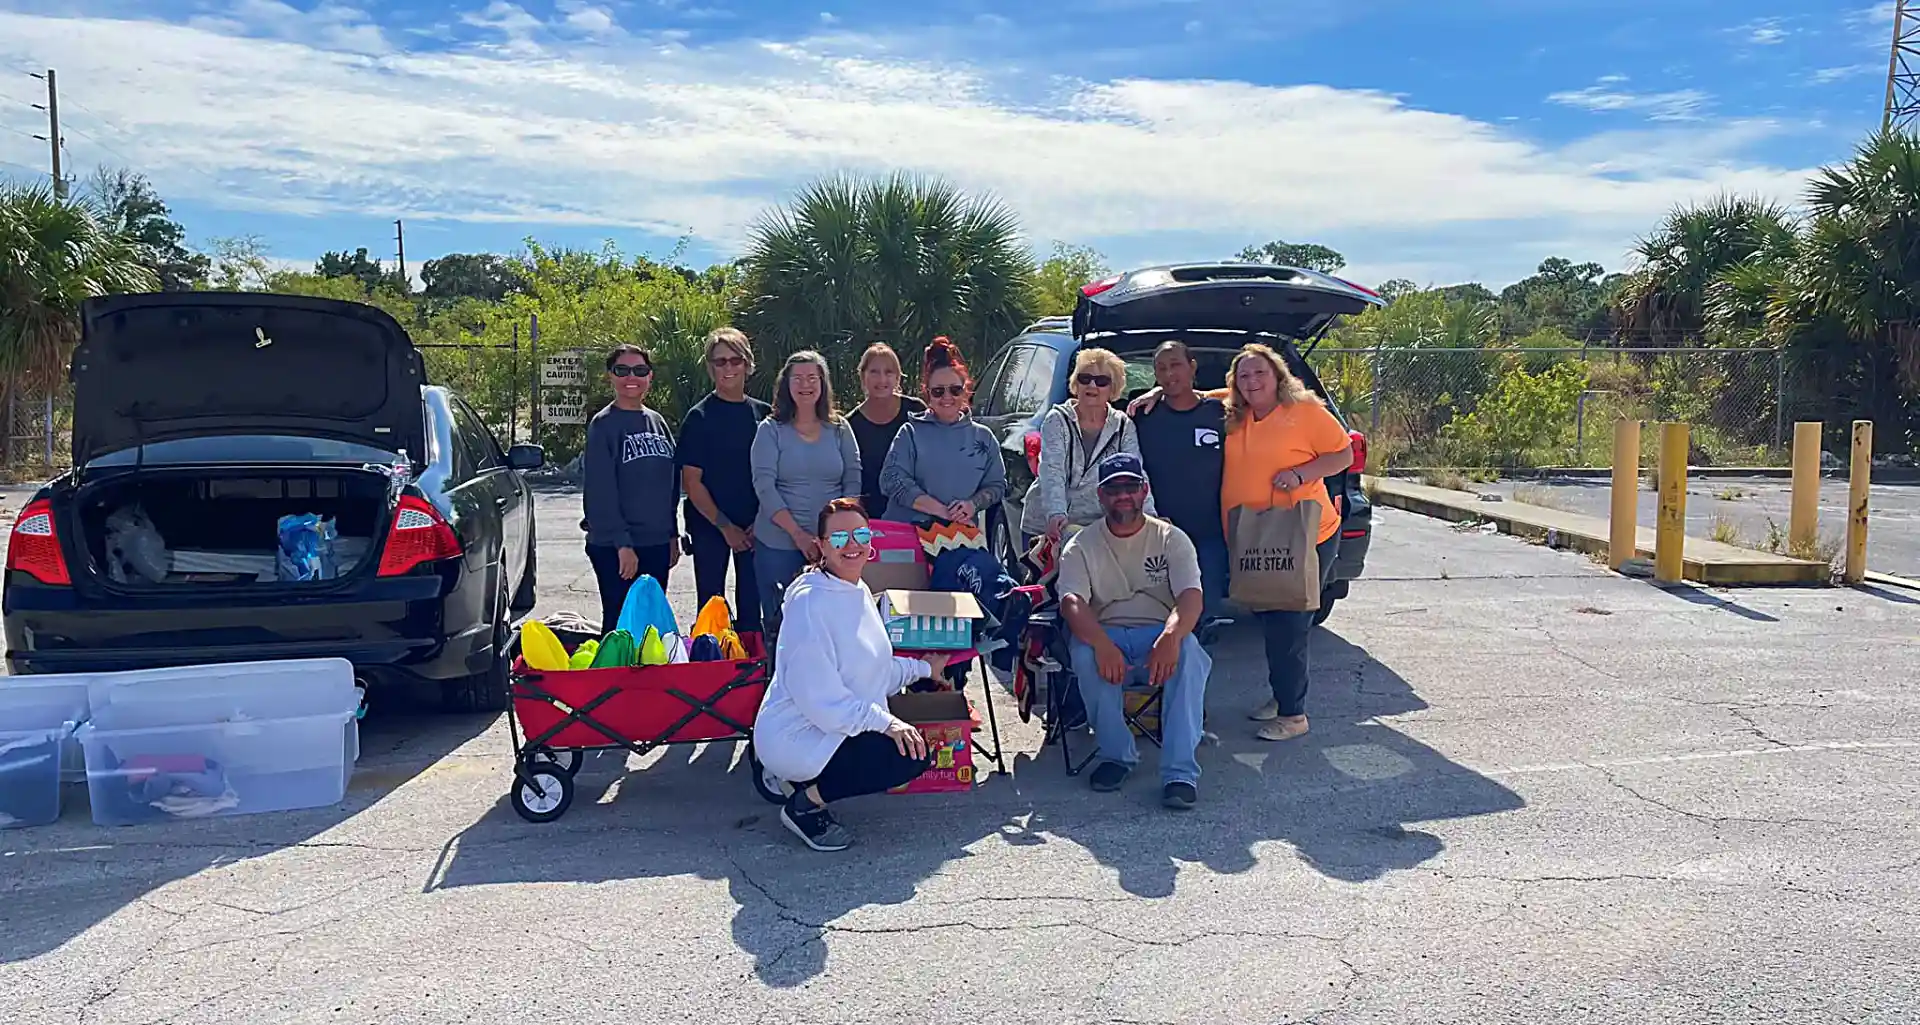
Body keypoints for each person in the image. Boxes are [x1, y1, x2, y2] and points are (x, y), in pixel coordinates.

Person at [754, 498, 955, 852]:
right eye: (839, 537)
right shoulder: (810, 604)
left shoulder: (857, 590)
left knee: (906, 747)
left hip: (832, 725)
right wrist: (888, 723)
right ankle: (804, 805)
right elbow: (821, 700)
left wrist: (926, 668)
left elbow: (872, 669)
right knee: (906, 755)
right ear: (820, 546)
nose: (852, 545)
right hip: (795, 737)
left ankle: (803, 782)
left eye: (861, 533)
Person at [1056, 452, 1211, 809]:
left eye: (1130, 486)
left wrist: (1171, 637)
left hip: (1158, 631)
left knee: (1189, 653)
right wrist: (1101, 644)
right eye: (1114, 488)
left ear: (1145, 491)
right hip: (1106, 631)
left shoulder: (1172, 538)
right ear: (1101, 495)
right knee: (1085, 654)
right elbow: (1072, 603)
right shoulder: (1081, 545)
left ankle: (1179, 773)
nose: (1123, 495)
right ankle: (1116, 756)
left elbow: (1190, 597)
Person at [1219, 343, 1352, 742]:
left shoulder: (1305, 411)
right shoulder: (1235, 412)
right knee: (1271, 620)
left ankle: (1294, 716)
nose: (1252, 381)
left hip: (1303, 534)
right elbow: (1198, 395)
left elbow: (1343, 453)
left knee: (1290, 624)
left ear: (1278, 375)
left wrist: (1300, 473)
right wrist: (1157, 392)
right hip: (1254, 537)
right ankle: (1283, 697)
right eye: (1243, 376)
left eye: (1260, 372)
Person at [878, 337, 1010, 620]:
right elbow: (891, 479)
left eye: (954, 389)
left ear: (966, 391)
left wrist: (973, 505)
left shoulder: (983, 438)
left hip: (959, 541)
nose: (947, 397)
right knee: (908, 624)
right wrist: (940, 510)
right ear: (927, 394)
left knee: (957, 627)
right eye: (938, 391)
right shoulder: (910, 433)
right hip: (908, 544)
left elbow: (998, 485)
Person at [750, 350, 862, 637]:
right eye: (797, 378)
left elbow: (853, 476)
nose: (805, 384)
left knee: (833, 626)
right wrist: (799, 535)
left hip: (834, 546)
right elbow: (764, 485)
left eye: (812, 377)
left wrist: (836, 535)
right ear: (786, 384)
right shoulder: (770, 430)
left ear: (823, 383)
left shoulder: (840, 428)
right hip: (779, 544)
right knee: (782, 626)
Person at [582, 344, 680, 636]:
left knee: (650, 625)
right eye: (622, 370)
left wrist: (672, 534)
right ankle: (613, 683)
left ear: (650, 377)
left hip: (656, 543)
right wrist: (623, 544)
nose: (630, 377)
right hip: (617, 546)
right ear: (610, 376)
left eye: (639, 370)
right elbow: (601, 491)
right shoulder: (604, 426)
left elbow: (670, 484)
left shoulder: (656, 422)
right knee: (620, 625)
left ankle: (647, 684)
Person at [1131, 340, 1230, 629]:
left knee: (1203, 616)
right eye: (1161, 368)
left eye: (1176, 365)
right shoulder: (1143, 415)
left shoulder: (1219, 413)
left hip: (1210, 537)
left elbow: (1261, 392)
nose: (1169, 373)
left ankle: (1197, 672)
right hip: (1158, 534)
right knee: (1159, 617)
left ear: (1192, 367)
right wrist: (1158, 393)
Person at [678, 328, 770, 633]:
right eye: (720, 362)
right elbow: (692, 482)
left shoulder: (764, 414)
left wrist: (762, 521)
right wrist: (724, 526)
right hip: (710, 525)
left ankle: (753, 674)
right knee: (711, 607)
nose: (728, 368)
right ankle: (711, 671)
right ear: (710, 367)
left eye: (735, 360)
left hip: (756, 526)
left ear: (748, 364)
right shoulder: (699, 417)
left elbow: (776, 474)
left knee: (753, 609)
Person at [1019, 346, 1154, 548]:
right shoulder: (1057, 420)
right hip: (1046, 526)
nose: (1092, 385)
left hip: (1098, 528)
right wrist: (1055, 514)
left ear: (1113, 388)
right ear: (1076, 383)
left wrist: (1151, 518)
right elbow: (1052, 470)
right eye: (1085, 378)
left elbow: (1136, 473)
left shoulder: (1124, 425)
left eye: (1101, 381)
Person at [847, 343, 926, 521]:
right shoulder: (850, 424)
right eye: (874, 372)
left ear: (898, 377)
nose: (882, 379)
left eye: (888, 372)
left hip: (918, 514)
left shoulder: (916, 410)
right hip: (872, 520)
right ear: (863, 376)